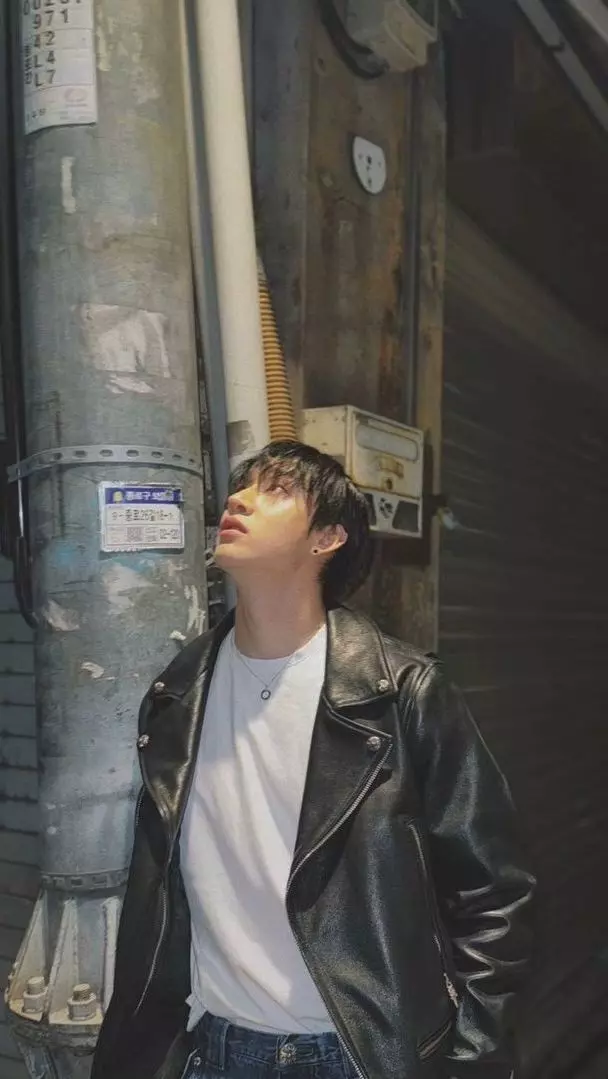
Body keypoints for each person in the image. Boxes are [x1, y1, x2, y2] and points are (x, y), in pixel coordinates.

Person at [92, 440, 535, 1079]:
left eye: (274, 490)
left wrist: (473, 1057)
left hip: (361, 1056)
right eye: (240, 487)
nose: (239, 500)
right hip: (215, 1050)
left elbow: (494, 893)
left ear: (327, 538)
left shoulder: (400, 693)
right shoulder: (177, 696)